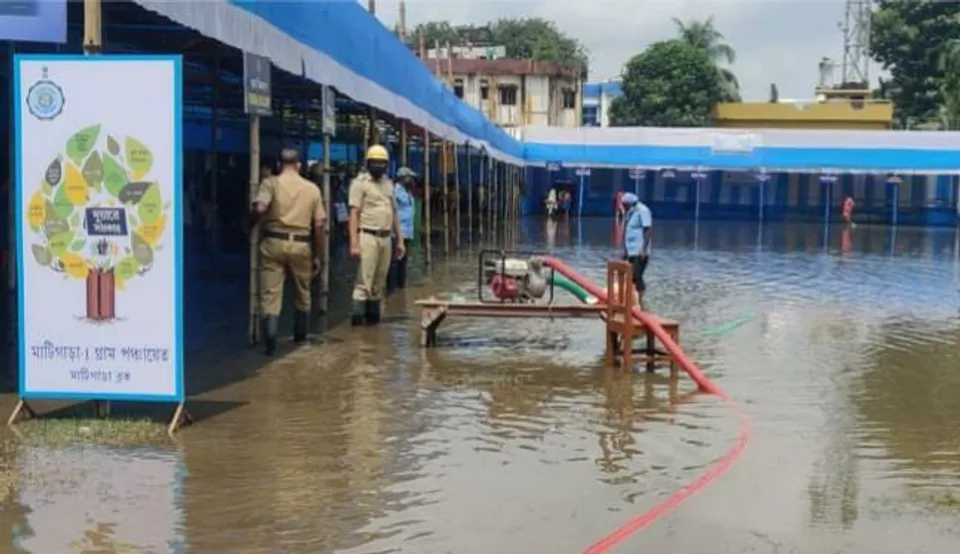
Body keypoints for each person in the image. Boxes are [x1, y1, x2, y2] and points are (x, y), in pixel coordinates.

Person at [251, 148, 326, 355]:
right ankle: (299, 342)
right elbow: (320, 225)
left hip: (273, 242)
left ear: (279, 164)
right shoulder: (312, 189)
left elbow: (260, 208)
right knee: (303, 293)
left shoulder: (270, 183)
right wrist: (318, 255)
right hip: (301, 244)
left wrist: (251, 222)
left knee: (270, 295)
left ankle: (270, 346)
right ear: (299, 165)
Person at [348, 144, 406, 326]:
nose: (379, 166)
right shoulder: (359, 184)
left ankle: (373, 325)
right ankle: (357, 326)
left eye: (382, 163)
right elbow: (354, 214)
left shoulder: (388, 184)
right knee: (363, 282)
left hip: (386, 237)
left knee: (379, 282)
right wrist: (354, 243)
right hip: (367, 235)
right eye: (375, 162)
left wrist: (400, 240)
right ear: (368, 163)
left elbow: (394, 213)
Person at [387, 167, 417, 292]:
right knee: (394, 261)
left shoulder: (407, 192)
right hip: (396, 232)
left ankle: (401, 289)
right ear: (403, 178)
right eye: (410, 178)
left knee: (403, 261)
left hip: (407, 232)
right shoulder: (394, 192)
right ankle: (392, 290)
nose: (412, 180)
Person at [620, 192, 653, 295]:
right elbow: (627, 231)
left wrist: (644, 250)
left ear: (630, 203)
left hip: (639, 251)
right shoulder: (629, 213)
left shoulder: (643, 210)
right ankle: (633, 298)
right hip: (631, 250)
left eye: (625, 205)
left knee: (636, 276)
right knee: (630, 277)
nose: (623, 207)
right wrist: (625, 250)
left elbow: (647, 230)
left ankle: (641, 297)